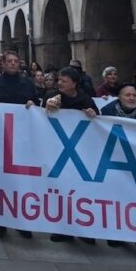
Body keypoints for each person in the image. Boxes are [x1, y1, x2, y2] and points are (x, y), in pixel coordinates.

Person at [0, 51, 38, 239]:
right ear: (3, 64)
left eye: (16, 61)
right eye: (10, 61)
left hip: (22, 141)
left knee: (22, 182)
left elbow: (36, 105)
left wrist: (32, 104)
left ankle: (22, 221)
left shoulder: (28, 84)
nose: (14, 64)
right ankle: (1, 222)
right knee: (1, 182)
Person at [44, 66, 99, 244]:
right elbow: (43, 115)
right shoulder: (53, 97)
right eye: (59, 80)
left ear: (74, 83)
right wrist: (49, 105)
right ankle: (63, 228)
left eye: (64, 80)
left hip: (82, 153)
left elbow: (99, 122)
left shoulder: (86, 99)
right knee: (63, 190)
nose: (59, 83)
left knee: (82, 192)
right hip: (60, 151)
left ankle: (85, 229)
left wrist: (92, 114)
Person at [100, 82, 136, 254]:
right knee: (117, 199)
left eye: (134, 95)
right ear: (119, 97)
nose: (132, 98)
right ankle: (116, 233)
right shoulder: (107, 112)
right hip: (115, 162)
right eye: (128, 95)